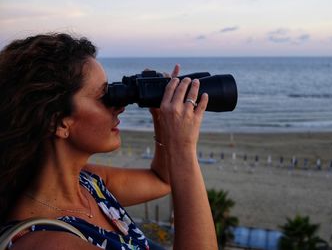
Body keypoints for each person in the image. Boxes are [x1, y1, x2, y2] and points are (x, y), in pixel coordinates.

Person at [0, 33, 217, 249]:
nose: (119, 106)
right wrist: (183, 147)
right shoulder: (45, 242)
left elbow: (162, 180)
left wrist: (160, 120)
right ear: (59, 122)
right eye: (103, 96)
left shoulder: (89, 183)